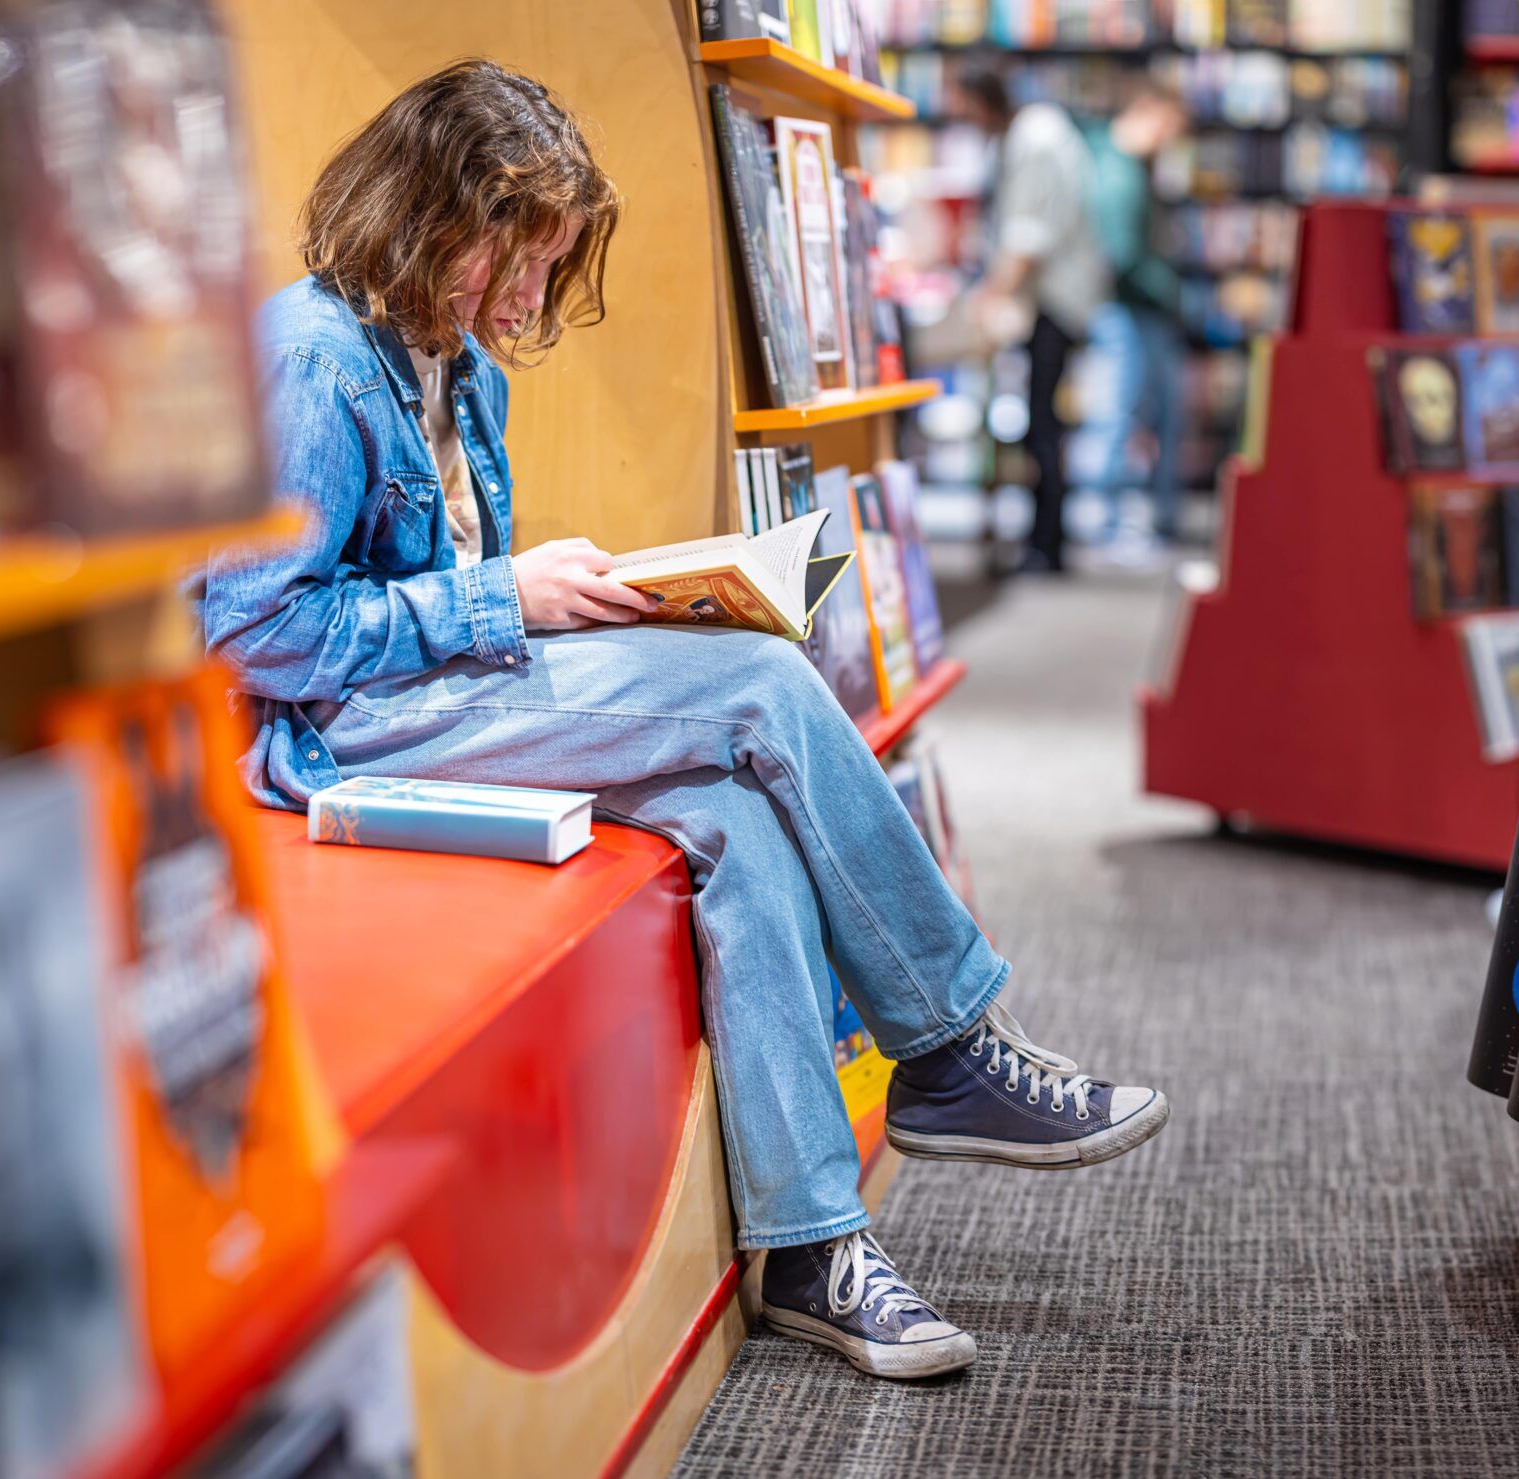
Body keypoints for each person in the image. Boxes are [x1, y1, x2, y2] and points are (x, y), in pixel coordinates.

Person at [199, 60, 1169, 1381]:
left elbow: (452, 574)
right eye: (519, 260)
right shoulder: (312, 358)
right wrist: (506, 594)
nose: (534, 299)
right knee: (767, 688)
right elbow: (253, 629)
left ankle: (811, 1244)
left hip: (444, 697)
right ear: (431, 215)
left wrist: (577, 594)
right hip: (347, 730)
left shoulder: (456, 362)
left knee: (731, 812)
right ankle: (947, 1044)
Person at [951, 67, 1111, 575]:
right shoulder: (1021, 137)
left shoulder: (1038, 138)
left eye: (963, 106)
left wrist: (988, 295)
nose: (961, 118)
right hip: (1042, 302)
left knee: (1043, 424)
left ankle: (1047, 546)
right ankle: (1039, 542)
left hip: (1054, 304)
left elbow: (1029, 236)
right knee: (1036, 421)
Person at [1079, 79, 1190, 562]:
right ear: (1147, 111)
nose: (1169, 139)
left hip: (1135, 308)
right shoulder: (1117, 172)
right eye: (1168, 127)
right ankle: (1107, 521)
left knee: (1136, 413)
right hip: (1128, 309)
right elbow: (1122, 253)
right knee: (1119, 413)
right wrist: (1170, 292)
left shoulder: (1122, 166)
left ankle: (1123, 519)